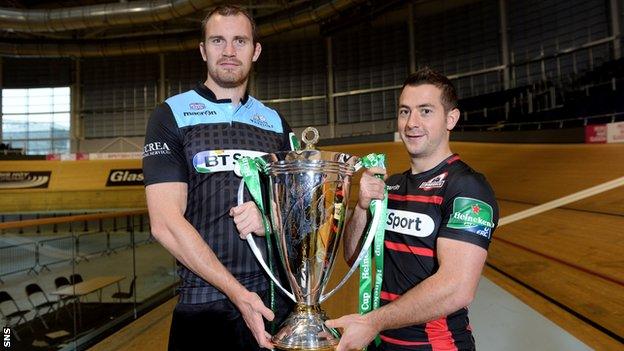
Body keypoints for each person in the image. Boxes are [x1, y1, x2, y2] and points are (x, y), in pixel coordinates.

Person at [142, 5, 295, 351]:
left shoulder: (275, 123)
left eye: (239, 41)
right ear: (203, 50)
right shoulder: (171, 115)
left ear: (255, 51)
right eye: (218, 41)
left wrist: (270, 218)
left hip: (275, 300)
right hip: (203, 305)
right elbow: (164, 223)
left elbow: (298, 209)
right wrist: (239, 294)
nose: (228, 51)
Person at [326, 67, 499, 351]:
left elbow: (457, 287)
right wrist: (361, 205)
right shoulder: (392, 185)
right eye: (405, 111)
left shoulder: (467, 188)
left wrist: (374, 322)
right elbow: (354, 256)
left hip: (436, 345)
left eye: (426, 111)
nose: (411, 123)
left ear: (450, 119)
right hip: (382, 343)